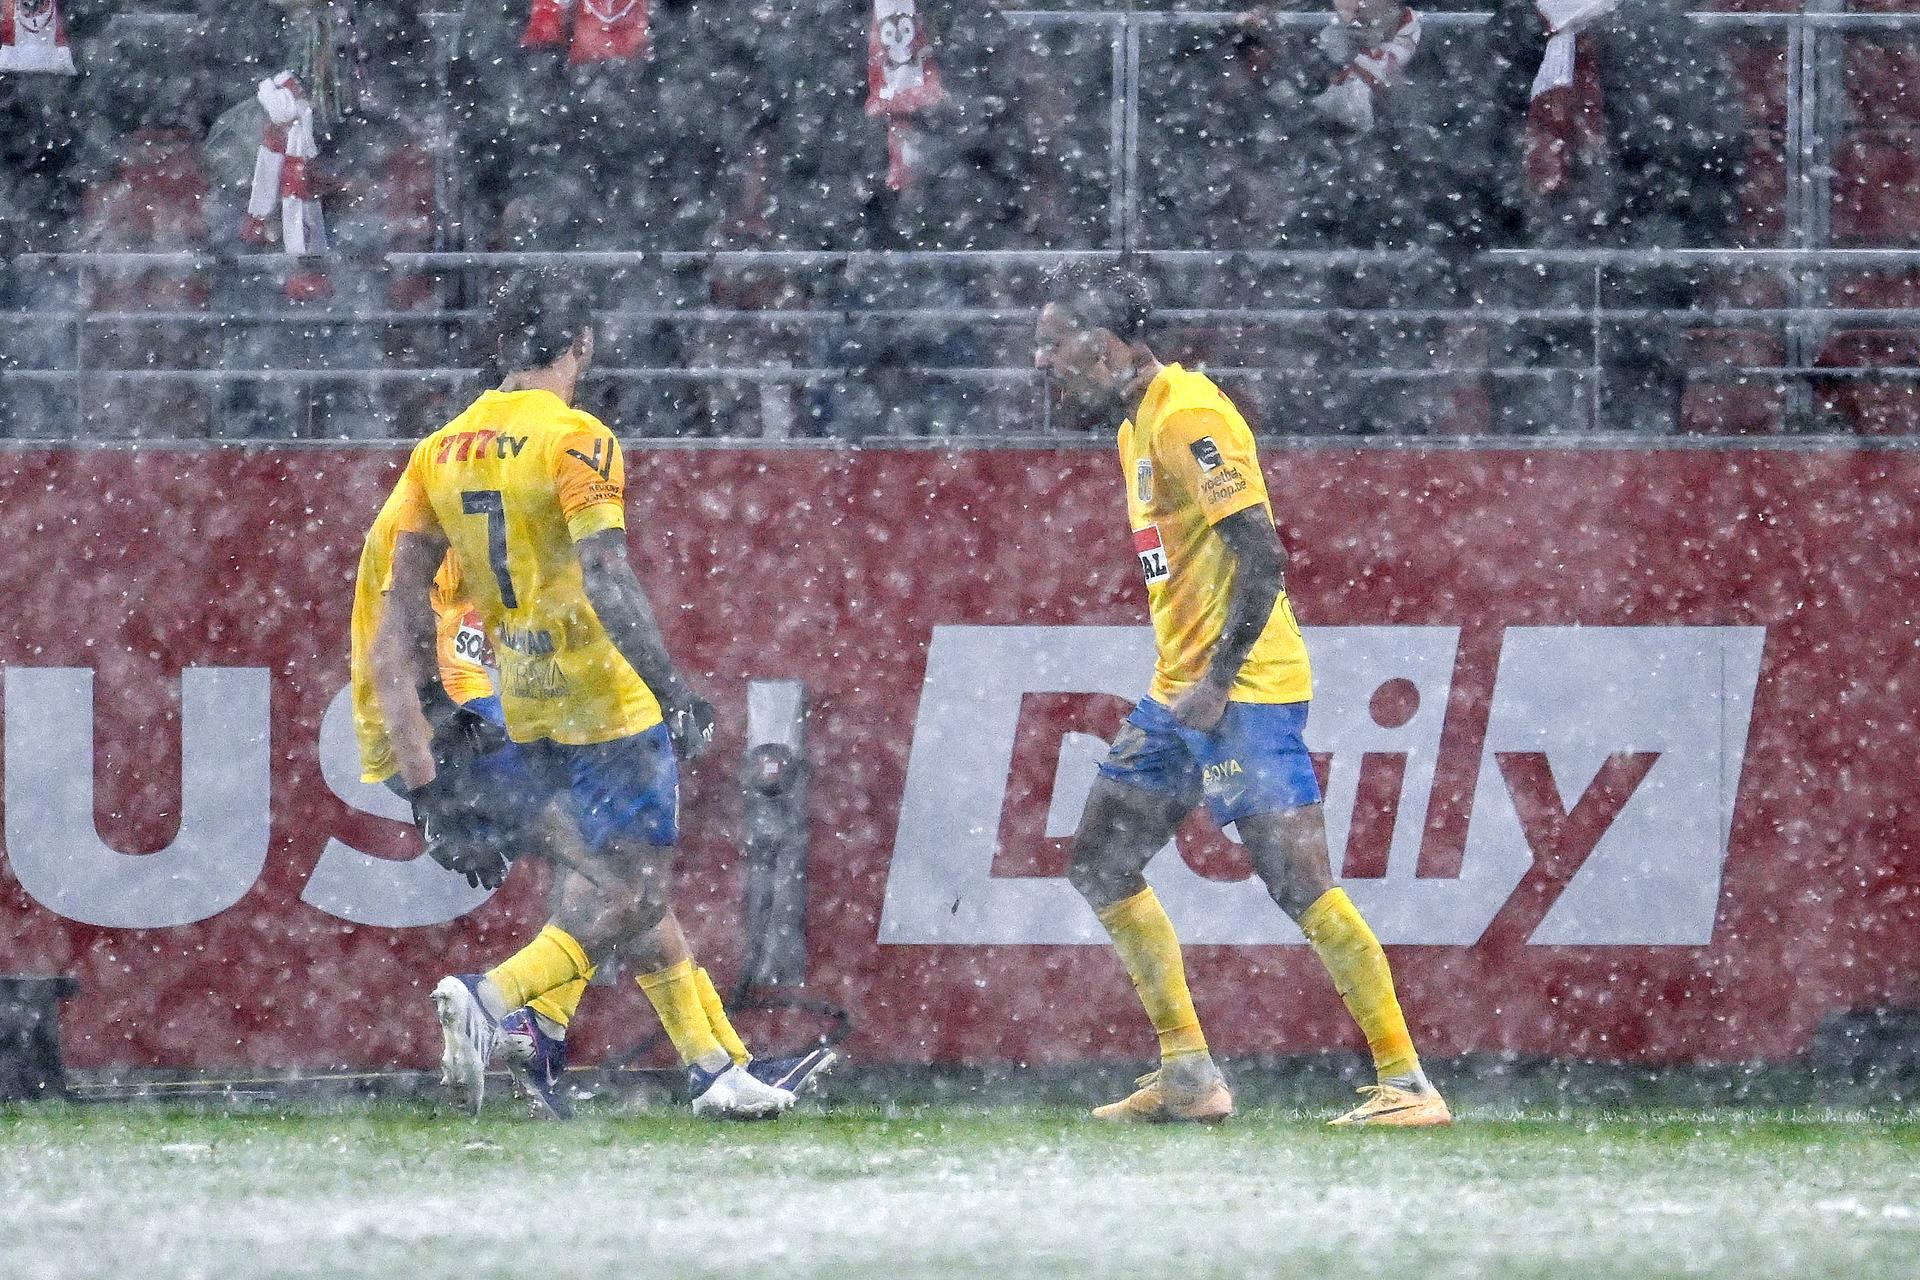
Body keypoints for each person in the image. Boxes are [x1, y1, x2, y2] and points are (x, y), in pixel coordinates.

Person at [370, 269, 829, 1118]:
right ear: (580, 345)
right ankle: (497, 1001)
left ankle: (714, 1070)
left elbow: (403, 604)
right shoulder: (578, 437)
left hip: (526, 691)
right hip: (600, 694)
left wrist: (419, 750)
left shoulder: (440, 448)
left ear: (503, 345)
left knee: (612, 885)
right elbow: (607, 571)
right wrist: (672, 688)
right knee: (635, 892)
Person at [1032, 261, 1450, 1127]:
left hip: (1244, 691)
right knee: (1101, 862)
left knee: (1300, 885)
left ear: (1104, 346)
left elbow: (1262, 552)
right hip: (1182, 693)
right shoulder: (1132, 426)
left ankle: (1409, 1084)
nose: (1041, 361)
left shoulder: (1188, 416)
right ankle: (1188, 1075)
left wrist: (1220, 684)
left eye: (1051, 343)